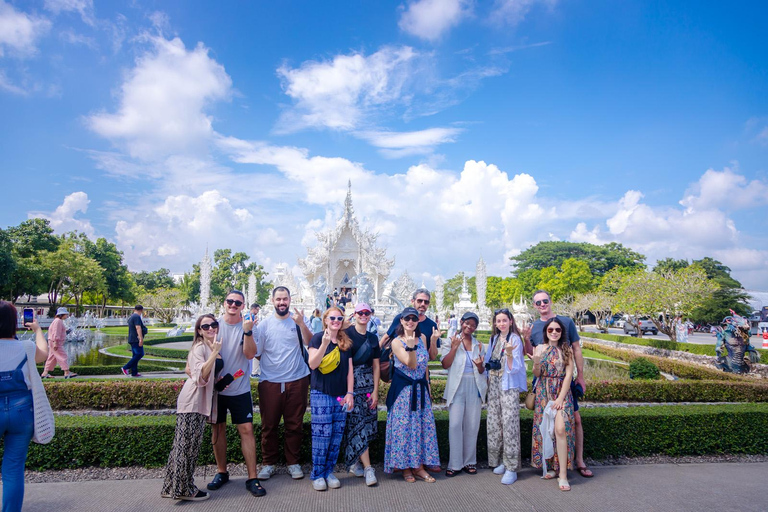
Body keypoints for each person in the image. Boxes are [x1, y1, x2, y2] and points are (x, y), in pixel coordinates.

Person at [524, 290, 593, 479]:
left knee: (573, 421)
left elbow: (576, 349)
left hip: (564, 382)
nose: (542, 305)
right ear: (534, 305)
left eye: (544, 301)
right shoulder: (535, 326)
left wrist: (581, 376)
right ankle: (553, 465)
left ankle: (578, 460)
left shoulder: (566, 322)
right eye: (538, 302)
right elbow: (532, 353)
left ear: (550, 301)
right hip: (543, 383)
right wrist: (525, 338)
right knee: (547, 425)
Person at [206, 291, 265, 498]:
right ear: (224, 303)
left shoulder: (249, 327)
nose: (233, 305)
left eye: (237, 302)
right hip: (217, 389)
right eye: (230, 301)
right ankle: (222, 472)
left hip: (240, 388)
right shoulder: (214, 326)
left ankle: (252, 477)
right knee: (217, 429)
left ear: (243, 306)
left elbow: (250, 355)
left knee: (247, 429)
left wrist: (247, 332)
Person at [255, 286, 313, 481]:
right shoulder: (264, 325)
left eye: (285, 299)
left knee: (294, 424)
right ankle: (268, 463)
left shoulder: (296, 322)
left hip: (297, 379)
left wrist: (302, 324)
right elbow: (257, 352)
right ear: (272, 301)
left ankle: (293, 462)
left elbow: (310, 343)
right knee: (269, 425)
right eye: (278, 299)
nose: (282, 302)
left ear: (290, 300)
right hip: (271, 381)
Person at [162, 314, 223, 501]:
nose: (211, 328)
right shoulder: (200, 347)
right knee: (187, 447)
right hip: (192, 401)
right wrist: (214, 354)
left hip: (199, 401)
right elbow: (199, 376)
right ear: (199, 330)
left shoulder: (210, 346)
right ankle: (184, 489)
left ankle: (170, 486)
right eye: (206, 326)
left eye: (214, 324)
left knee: (182, 446)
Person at [0, 301, 49, 512]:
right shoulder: (26, 347)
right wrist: (37, 329)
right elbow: (44, 355)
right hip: (22, 411)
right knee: (13, 469)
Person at [384, 307, 440, 482]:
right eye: (407, 318)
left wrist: (433, 341)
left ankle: (419, 466)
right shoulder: (396, 342)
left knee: (420, 428)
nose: (410, 322)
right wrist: (409, 347)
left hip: (420, 390)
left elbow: (428, 362)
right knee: (404, 429)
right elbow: (411, 364)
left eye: (413, 319)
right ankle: (405, 467)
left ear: (417, 321)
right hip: (403, 392)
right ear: (401, 320)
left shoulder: (422, 337)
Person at [307, 307, 354, 491]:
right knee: (321, 436)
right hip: (321, 393)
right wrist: (325, 344)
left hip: (341, 395)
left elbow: (350, 371)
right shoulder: (318, 338)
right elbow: (313, 364)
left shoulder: (345, 341)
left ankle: (329, 471)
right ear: (325, 320)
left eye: (339, 318)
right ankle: (317, 474)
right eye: (332, 318)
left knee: (336, 436)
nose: (336, 320)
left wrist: (350, 393)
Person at [531, 317, 575, 492]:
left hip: (561, 394)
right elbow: (537, 373)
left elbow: (569, 375)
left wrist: (560, 399)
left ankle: (563, 474)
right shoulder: (540, 348)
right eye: (551, 330)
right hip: (543, 392)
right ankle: (549, 466)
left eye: (557, 330)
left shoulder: (567, 350)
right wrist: (535, 361)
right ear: (546, 332)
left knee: (560, 429)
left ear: (562, 332)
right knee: (545, 430)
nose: (554, 332)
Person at [441, 312, 486, 477]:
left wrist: (480, 365)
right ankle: (455, 463)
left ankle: (469, 462)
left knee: (472, 425)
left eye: (473, 325)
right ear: (461, 322)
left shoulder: (479, 345)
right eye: (467, 323)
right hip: (457, 386)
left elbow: (482, 370)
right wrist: (454, 347)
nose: (469, 327)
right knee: (455, 425)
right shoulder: (451, 340)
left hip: (474, 385)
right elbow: (445, 364)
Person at [484, 308, 526, 484]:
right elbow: (488, 361)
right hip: (494, 384)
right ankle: (500, 460)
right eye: (498, 320)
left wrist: (508, 352)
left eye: (504, 320)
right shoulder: (494, 339)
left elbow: (515, 367)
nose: (501, 323)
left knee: (509, 424)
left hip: (508, 385)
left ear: (510, 321)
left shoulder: (515, 339)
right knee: (495, 422)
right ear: (495, 323)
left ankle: (512, 467)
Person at [343, 303, 380, 486]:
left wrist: (375, 391)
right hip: (353, 384)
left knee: (366, 423)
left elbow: (376, 366)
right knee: (358, 424)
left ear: (370, 315)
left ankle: (355, 462)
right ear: (355, 314)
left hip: (368, 386)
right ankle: (368, 468)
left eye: (366, 313)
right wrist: (349, 390)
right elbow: (348, 364)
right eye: (360, 313)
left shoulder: (373, 338)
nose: (363, 316)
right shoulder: (348, 334)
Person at [379, 288, 440, 361]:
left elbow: (432, 357)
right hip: (398, 367)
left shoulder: (432, 326)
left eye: (426, 302)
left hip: (419, 368)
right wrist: (376, 358)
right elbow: (386, 337)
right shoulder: (400, 318)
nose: (423, 304)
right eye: (420, 301)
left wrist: (433, 341)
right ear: (412, 301)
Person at [41, 307, 77, 379]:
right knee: (62, 356)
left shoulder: (56, 321)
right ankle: (66, 372)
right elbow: (56, 332)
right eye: (66, 314)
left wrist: (66, 331)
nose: (67, 316)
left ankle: (45, 373)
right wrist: (55, 342)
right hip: (56, 342)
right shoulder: (58, 321)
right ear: (62, 314)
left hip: (53, 341)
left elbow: (57, 331)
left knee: (51, 358)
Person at [122, 305, 147, 377]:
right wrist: (141, 338)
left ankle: (134, 372)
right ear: (141, 310)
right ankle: (125, 367)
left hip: (132, 338)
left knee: (135, 355)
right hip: (136, 339)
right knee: (140, 354)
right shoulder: (136, 317)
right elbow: (138, 327)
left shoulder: (132, 316)